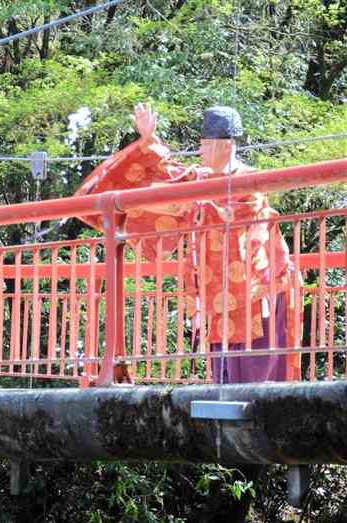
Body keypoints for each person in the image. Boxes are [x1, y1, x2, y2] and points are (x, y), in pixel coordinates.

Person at [75, 103, 301, 383]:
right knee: (225, 378)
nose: (201, 151)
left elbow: (225, 209)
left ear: (227, 146)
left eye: (206, 144)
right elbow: (171, 175)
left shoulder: (250, 182)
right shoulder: (201, 180)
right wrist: (150, 141)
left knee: (261, 378)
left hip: (259, 290)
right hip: (220, 295)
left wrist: (189, 204)